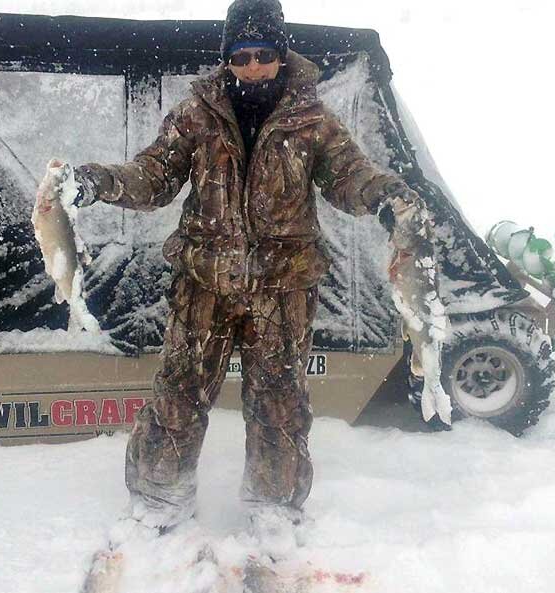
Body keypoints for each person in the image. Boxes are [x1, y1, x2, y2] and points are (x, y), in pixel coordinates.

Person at [65, 0, 426, 532]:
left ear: (280, 54)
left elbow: (350, 177)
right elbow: (154, 175)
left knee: (279, 401)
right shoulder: (196, 115)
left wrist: (385, 194)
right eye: (240, 56)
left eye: (262, 54)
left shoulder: (313, 121)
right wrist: (98, 182)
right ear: (227, 59)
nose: (252, 66)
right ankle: (159, 500)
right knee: (180, 391)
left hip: (282, 288)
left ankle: (273, 509)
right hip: (203, 283)